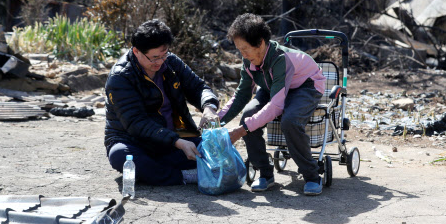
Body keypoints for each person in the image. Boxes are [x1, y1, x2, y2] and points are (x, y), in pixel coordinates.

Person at [217, 13, 326, 196]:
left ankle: (312, 176)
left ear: (260, 43)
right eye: (239, 50)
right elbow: (243, 93)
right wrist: (217, 120)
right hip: (273, 86)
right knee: (248, 115)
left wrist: (241, 131)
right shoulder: (249, 60)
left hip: (305, 87)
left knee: (289, 121)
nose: (242, 55)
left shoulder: (281, 59)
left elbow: (276, 106)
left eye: (245, 49)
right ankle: (265, 173)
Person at [104, 19, 219, 186]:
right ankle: (183, 177)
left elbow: (198, 87)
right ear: (136, 51)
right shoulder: (120, 77)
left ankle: (158, 171)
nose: (160, 62)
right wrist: (178, 143)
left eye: (164, 54)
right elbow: (137, 123)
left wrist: (209, 107)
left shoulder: (170, 62)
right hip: (133, 141)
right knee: (120, 156)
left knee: (213, 151)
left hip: (172, 139)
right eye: (154, 58)